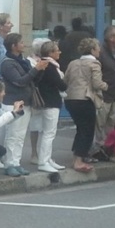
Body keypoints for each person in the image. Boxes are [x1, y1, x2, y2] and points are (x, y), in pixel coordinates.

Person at [0, 33, 50, 177]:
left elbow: (32, 80)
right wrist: (36, 69)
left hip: (25, 102)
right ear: (13, 46)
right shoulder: (7, 63)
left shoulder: (23, 61)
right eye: (21, 42)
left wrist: (40, 70)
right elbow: (20, 81)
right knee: (12, 134)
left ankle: (16, 162)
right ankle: (9, 163)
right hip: (13, 103)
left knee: (20, 135)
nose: (24, 44)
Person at [64, 38, 108, 173]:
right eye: (98, 47)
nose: (99, 50)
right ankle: (78, 161)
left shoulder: (73, 63)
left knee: (80, 128)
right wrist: (106, 86)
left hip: (70, 99)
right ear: (93, 50)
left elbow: (65, 80)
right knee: (87, 131)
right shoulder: (94, 63)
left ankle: (76, 157)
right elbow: (96, 83)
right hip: (85, 99)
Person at [32, 40, 68, 173]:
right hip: (51, 101)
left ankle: (47, 159)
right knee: (49, 133)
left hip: (45, 101)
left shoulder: (42, 64)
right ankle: (43, 161)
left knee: (46, 132)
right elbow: (61, 85)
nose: (59, 52)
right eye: (57, 50)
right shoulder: (50, 67)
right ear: (50, 53)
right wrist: (65, 83)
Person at [95, 24, 115, 156]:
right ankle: (98, 149)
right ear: (111, 38)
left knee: (111, 122)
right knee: (100, 123)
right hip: (104, 94)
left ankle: (109, 149)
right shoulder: (101, 52)